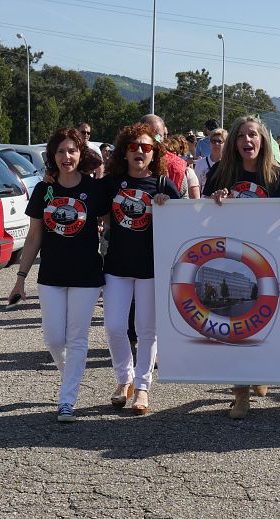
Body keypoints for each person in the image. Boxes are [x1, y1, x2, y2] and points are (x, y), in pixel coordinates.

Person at [204, 115, 280, 419]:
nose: (248, 141)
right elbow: (198, 216)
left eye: (253, 136)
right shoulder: (221, 175)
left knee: (267, 323)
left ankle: (260, 372)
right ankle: (241, 393)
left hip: (271, 265)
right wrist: (213, 198)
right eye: (241, 136)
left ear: (263, 142)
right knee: (238, 325)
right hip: (234, 262)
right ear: (234, 142)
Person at [8, 128, 105, 422]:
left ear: (81, 154)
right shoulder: (44, 190)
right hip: (51, 274)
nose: (67, 157)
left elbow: (115, 223)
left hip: (86, 275)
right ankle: (70, 379)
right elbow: (34, 237)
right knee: (52, 339)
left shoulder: (94, 188)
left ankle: (67, 400)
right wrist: (20, 277)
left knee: (76, 338)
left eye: (72, 151)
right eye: (61, 151)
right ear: (52, 156)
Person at [101, 123, 180, 414]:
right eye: (133, 146)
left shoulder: (162, 184)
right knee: (114, 327)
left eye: (146, 147)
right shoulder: (111, 182)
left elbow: (185, 220)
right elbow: (94, 209)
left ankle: (143, 387)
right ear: (124, 151)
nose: (139, 152)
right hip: (116, 267)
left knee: (147, 331)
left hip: (151, 268)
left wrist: (167, 206)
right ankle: (125, 379)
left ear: (154, 153)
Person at [140, 114, 189, 198]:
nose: (154, 139)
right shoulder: (129, 160)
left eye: (158, 135)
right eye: (149, 134)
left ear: (164, 137)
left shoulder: (176, 166)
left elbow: (183, 200)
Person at [193, 128, 226, 192]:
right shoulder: (200, 164)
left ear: (225, 144)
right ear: (209, 143)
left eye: (219, 141)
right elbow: (197, 189)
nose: (216, 144)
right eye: (213, 141)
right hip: (205, 200)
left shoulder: (230, 164)